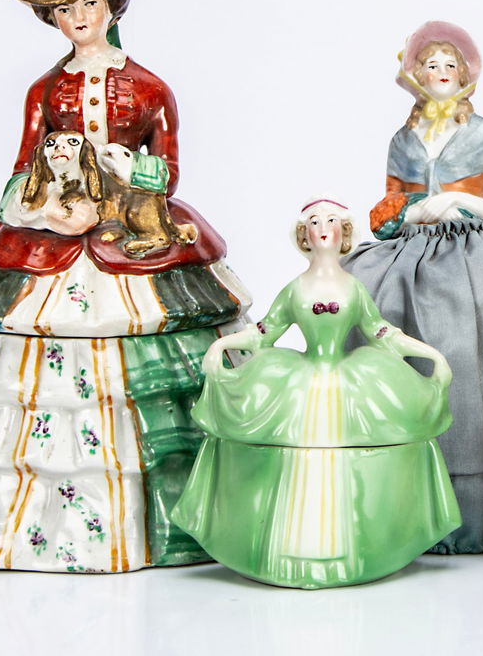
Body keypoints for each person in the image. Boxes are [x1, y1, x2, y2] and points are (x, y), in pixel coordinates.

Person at [0, 0, 245, 572]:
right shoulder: (44, 91)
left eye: (89, 3)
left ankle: (168, 518)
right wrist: (46, 209)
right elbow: (20, 172)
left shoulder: (150, 87)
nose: (79, 19)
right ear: (52, 19)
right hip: (55, 241)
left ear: (112, 5)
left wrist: (127, 175)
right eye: (64, 10)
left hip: (129, 233)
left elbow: (167, 170)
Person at [342, 21, 483, 552]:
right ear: (416, 76)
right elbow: (389, 210)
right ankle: (397, 505)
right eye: (431, 65)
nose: (441, 72)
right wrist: (409, 212)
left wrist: (455, 202)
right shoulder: (402, 140)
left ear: (464, 75)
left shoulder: (482, 132)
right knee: (366, 300)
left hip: (475, 248)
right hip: (410, 251)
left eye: (450, 65)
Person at [171, 198, 460, 588]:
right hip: (299, 380)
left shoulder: (353, 288)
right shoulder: (296, 289)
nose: (323, 228)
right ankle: (288, 551)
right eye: (314, 222)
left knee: (371, 440)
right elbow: (264, 333)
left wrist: (430, 354)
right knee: (293, 454)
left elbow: (381, 333)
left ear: (344, 232)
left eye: (331, 221)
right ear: (303, 235)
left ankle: (355, 550)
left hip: (348, 379)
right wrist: (221, 345)